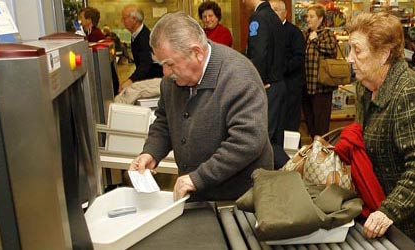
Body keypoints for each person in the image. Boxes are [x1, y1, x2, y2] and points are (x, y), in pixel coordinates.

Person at [128, 12, 273, 201]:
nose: (165, 72)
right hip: (198, 194)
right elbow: (164, 120)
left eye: (169, 64)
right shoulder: (172, 82)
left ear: (196, 53)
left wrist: (198, 178)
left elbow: (247, 140)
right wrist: (151, 152)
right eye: (161, 64)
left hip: (241, 199)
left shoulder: (239, 77)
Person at [346, 12, 415, 249]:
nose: (350, 58)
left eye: (357, 50)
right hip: (377, 197)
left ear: (383, 54)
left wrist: (388, 211)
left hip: (411, 212)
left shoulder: (410, 92)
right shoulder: (365, 87)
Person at [244, 0, 288, 168]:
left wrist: (257, 81)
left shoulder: (258, 18)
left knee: (264, 140)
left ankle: (292, 173)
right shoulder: (275, 18)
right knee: (275, 140)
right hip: (279, 84)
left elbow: (259, 53)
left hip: (267, 86)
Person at [303, 4, 338, 140]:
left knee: (321, 126)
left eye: (312, 16)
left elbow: (332, 50)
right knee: (310, 123)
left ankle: (322, 154)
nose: (308, 19)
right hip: (306, 86)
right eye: (307, 16)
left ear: (320, 19)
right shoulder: (305, 34)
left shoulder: (327, 34)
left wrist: (316, 40)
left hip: (321, 87)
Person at [270, 0, 305, 132]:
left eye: (276, 10)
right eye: (271, 10)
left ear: (285, 13)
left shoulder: (294, 32)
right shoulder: (268, 30)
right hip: (274, 86)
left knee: (290, 124)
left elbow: (299, 58)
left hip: (291, 85)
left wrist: (281, 69)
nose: (273, 14)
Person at [120, 4, 163, 91]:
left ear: (134, 19)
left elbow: (145, 65)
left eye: (124, 18)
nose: (122, 21)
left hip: (154, 82)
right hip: (148, 79)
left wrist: (130, 81)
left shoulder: (145, 38)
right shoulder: (136, 35)